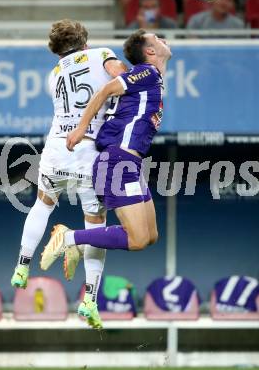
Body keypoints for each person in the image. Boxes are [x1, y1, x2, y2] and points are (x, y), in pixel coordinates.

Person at [40, 29, 172, 328]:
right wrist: (80, 128)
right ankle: (69, 237)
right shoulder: (147, 73)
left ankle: (75, 241)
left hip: (130, 163)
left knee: (150, 237)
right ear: (150, 52)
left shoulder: (151, 77)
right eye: (158, 39)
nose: (165, 40)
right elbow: (103, 91)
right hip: (118, 162)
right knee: (137, 240)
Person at [11, 19, 127, 328]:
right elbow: (122, 77)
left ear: (56, 51)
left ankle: (22, 265)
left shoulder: (54, 74)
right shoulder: (103, 54)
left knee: (43, 205)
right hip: (89, 151)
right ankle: (89, 299)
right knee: (97, 225)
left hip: (56, 149)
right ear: (85, 40)